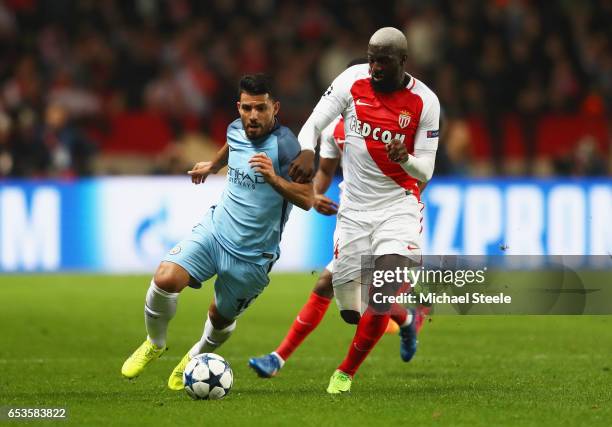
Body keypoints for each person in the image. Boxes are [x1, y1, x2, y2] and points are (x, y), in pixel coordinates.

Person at [120, 74, 314, 390]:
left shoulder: (286, 146)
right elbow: (231, 146)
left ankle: (197, 354)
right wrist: (212, 166)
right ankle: (154, 342)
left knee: (220, 318)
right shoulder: (235, 129)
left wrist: (274, 179)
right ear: (239, 107)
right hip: (215, 230)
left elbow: (308, 198)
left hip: (253, 255)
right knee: (165, 278)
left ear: (274, 108)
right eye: (248, 108)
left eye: (261, 109)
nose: (253, 116)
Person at [290, 27, 440, 394]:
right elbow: (313, 123)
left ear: (403, 61)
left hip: (398, 205)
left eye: (384, 60)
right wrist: (307, 149)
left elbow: (427, 171)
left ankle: (344, 373)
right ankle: (408, 317)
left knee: (381, 293)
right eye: (371, 57)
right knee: (349, 310)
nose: (374, 66)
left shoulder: (426, 102)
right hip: (354, 210)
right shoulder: (351, 80)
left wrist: (406, 159)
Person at [248, 115, 430, 378]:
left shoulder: (394, 121)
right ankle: (409, 319)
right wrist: (316, 194)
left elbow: (422, 168)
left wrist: (403, 203)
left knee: (357, 293)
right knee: (348, 304)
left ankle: (280, 360)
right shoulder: (335, 127)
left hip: (391, 220)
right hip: (355, 221)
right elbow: (324, 171)